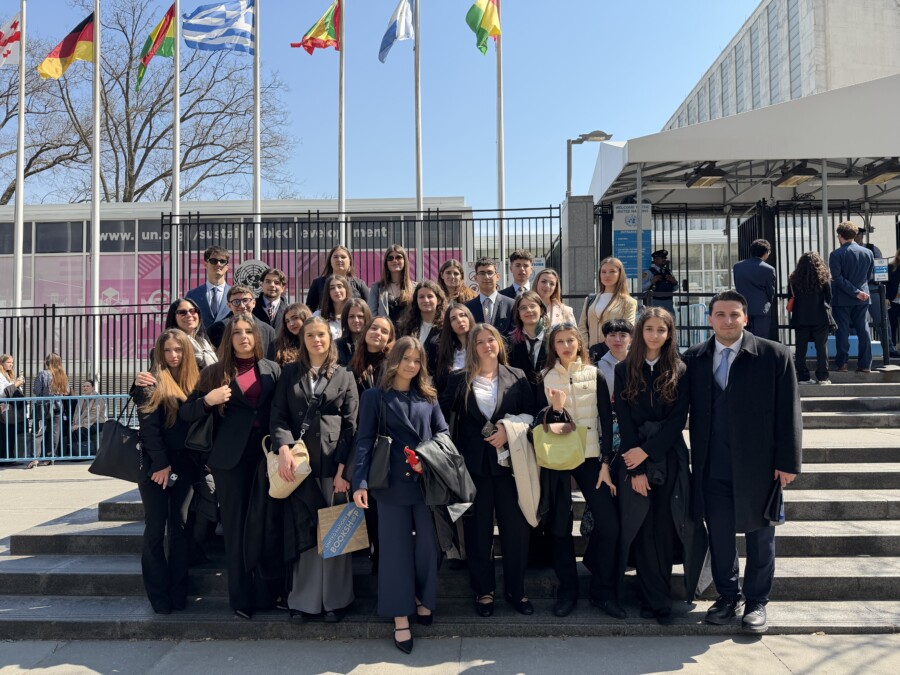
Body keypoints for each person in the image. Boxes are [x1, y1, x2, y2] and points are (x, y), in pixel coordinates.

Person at [683, 290, 801, 634]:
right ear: (710, 319)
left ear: (746, 318)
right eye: (720, 314)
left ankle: (756, 601)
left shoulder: (773, 355)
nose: (727, 321)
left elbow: (789, 411)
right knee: (720, 536)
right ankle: (727, 596)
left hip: (760, 466)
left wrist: (788, 461)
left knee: (760, 537)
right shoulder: (694, 358)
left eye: (734, 314)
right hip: (712, 465)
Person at [179, 316, 281, 619]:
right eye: (237, 332)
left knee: (266, 525)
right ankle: (241, 598)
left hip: (265, 457)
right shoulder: (214, 372)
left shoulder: (272, 369)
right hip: (229, 461)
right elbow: (186, 413)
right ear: (229, 339)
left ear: (257, 337)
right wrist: (208, 401)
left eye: (249, 331)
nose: (243, 336)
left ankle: (268, 594)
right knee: (236, 528)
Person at [353, 337, 448, 654]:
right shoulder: (374, 396)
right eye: (406, 358)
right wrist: (360, 482)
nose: (411, 365)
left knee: (429, 546)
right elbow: (364, 440)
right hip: (389, 483)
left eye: (417, 360)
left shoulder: (428, 396)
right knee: (394, 552)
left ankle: (423, 597)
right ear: (394, 360)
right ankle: (400, 617)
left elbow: (443, 433)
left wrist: (427, 456)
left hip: (425, 482)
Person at [613, 308, 705, 625]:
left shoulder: (680, 369)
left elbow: (678, 420)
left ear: (669, 334)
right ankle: (650, 596)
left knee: (665, 526)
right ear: (640, 332)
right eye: (649, 329)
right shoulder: (624, 369)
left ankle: (660, 599)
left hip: (669, 455)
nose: (654, 335)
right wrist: (636, 468)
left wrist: (648, 452)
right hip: (632, 456)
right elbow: (624, 420)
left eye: (661, 330)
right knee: (642, 526)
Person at [439, 324, 535, 619]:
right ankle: (484, 591)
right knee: (478, 532)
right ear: (472, 348)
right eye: (479, 342)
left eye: (490, 340)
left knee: (515, 530)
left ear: (499, 344)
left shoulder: (517, 375)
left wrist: (508, 428)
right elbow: (440, 416)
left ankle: (516, 590)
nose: (486, 345)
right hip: (472, 467)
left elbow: (531, 413)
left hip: (510, 466)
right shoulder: (459, 379)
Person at [270, 315, 359, 624]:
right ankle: (303, 600)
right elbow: (278, 415)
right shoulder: (289, 373)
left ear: (329, 338)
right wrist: (283, 449)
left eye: (321, 334)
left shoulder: (345, 374)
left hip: (334, 465)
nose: (316, 340)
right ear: (303, 340)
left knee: (336, 532)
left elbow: (352, 425)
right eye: (310, 335)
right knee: (304, 531)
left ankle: (336, 600)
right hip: (299, 466)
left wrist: (344, 470)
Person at [537, 323, 622, 619]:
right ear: (553, 346)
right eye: (559, 341)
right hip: (558, 459)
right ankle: (568, 591)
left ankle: (603, 591)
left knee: (609, 526)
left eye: (570, 340)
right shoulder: (545, 377)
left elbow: (606, 420)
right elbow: (538, 422)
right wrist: (556, 410)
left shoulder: (595, 374)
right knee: (560, 529)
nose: (565, 346)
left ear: (579, 343)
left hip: (591, 459)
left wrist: (605, 463)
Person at [135, 329, 200, 614]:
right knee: (155, 528)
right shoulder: (150, 381)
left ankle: (178, 592)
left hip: (185, 465)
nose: (173, 355)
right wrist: (160, 465)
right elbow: (149, 429)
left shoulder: (194, 382)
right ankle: (158, 595)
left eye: (178, 350)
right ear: (159, 354)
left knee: (180, 528)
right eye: (168, 350)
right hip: (155, 467)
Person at [346, 314, 396, 575]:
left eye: (384, 331)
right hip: (360, 443)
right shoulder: (350, 366)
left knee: (382, 508)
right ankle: (373, 554)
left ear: (390, 338)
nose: (378, 333)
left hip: (387, 446)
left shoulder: (394, 365)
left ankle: (383, 560)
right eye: (374, 328)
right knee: (366, 506)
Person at [829, 221, 874, 372]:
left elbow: (837, 278)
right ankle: (865, 365)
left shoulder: (836, 254)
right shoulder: (868, 253)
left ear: (840, 236)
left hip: (842, 298)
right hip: (863, 296)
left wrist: (855, 292)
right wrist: (859, 291)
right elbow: (868, 276)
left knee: (842, 330)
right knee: (863, 329)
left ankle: (842, 364)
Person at [578, 257, 637, 360]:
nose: (607, 275)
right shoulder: (590, 299)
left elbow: (627, 329)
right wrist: (586, 348)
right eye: (603, 272)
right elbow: (582, 326)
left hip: (614, 353)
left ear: (620, 274)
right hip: (590, 353)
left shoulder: (629, 302)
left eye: (612, 271)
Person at [788, 253, 833, 385]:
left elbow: (790, 295)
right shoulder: (823, 277)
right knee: (821, 348)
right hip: (820, 316)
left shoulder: (794, 278)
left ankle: (803, 377)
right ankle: (823, 377)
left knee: (801, 348)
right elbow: (829, 297)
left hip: (800, 317)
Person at [855, 227, 897, 355]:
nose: (856, 237)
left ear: (862, 235)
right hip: (856, 290)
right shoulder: (847, 251)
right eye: (854, 234)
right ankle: (856, 350)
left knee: (882, 321)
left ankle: (889, 349)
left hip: (873, 289)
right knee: (855, 322)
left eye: (858, 234)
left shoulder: (873, 249)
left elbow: (881, 270)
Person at [208, 285, 277, 360]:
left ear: (254, 303)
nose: (242, 306)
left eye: (245, 300)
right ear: (229, 306)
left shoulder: (269, 331)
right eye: (236, 302)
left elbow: (271, 360)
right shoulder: (215, 330)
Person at [29, 353, 69, 469]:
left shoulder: (43, 373)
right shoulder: (62, 375)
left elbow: (37, 390)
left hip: (43, 406)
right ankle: (50, 457)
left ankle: (35, 458)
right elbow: (66, 391)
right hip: (58, 406)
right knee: (55, 432)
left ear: (47, 362)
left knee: (38, 432)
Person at [732, 239, 777, 340]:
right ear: (766, 252)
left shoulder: (737, 267)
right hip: (761, 308)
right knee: (761, 339)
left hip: (742, 307)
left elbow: (737, 285)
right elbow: (770, 292)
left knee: (743, 338)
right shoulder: (769, 269)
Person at [508, 290, 548, 400]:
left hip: (549, 400)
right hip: (521, 401)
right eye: (523, 308)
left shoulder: (554, 339)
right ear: (518, 314)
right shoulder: (510, 343)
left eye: (532, 306)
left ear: (541, 310)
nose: (528, 310)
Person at [306, 245, 370, 311]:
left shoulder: (359, 284)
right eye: (336, 257)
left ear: (350, 261)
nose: (339, 260)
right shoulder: (318, 283)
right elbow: (309, 310)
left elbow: (369, 309)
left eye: (343, 257)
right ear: (330, 261)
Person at [465, 257, 515, 336]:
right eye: (482, 273)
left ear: (497, 276)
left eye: (490, 272)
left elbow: (514, 335)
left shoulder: (511, 304)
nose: (486, 277)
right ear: (475, 278)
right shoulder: (468, 307)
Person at [399, 280, 446, 364]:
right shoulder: (406, 326)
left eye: (430, 296)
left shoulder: (446, 327)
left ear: (438, 300)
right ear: (416, 301)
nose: (426, 300)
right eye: (421, 297)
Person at [186, 245, 232, 329]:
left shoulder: (234, 294)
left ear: (227, 267)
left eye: (222, 261)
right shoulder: (192, 295)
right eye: (213, 261)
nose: (218, 264)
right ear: (205, 264)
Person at [431, 303, 475, 391]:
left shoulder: (480, 345)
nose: (459, 320)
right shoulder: (444, 351)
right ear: (450, 326)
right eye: (453, 319)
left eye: (462, 315)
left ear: (469, 317)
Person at [369, 245, 414, 324]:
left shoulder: (414, 288)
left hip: (408, 330)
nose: (394, 260)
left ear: (405, 260)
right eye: (390, 258)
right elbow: (372, 316)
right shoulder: (376, 288)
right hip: (385, 330)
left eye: (398, 257)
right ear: (386, 263)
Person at [68, 379, 107, 457]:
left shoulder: (98, 398)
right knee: (73, 430)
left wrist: (81, 425)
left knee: (80, 431)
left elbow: (94, 415)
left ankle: (86, 452)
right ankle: (77, 452)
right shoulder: (82, 397)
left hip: (97, 423)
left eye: (87, 386)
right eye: (84, 386)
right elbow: (76, 413)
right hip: (84, 422)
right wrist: (75, 423)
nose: (85, 388)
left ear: (92, 387)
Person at [597, 319, 633, 398]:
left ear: (631, 340)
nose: (617, 339)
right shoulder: (597, 367)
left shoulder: (640, 363)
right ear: (605, 340)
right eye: (612, 335)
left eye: (623, 335)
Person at [0, 354, 26, 461]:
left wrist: (17, 384)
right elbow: (2, 392)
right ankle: (4, 459)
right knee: (4, 434)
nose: (11, 365)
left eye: (12, 362)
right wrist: (16, 384)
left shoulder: (8, 375)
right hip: (3, 408)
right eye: (8, 362)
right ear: (2, 363)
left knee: (11, 433)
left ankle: (9, 458)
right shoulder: (0, 375)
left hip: (10, 409)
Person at [314, 274, 352, 340]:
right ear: (328, 292)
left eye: (340, 286)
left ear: (346, 289)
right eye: (332, 288)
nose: (336, 290)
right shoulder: (318, 315)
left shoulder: (354, 314)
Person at [335, 298, 371, 367]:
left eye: (360, 316)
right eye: (351, 316)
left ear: (366, 318)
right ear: (346, 319)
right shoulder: (336, 346)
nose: (356, 320)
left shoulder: (372, 345)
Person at [641, 249, 678, 316]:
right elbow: (641, 288)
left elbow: (675, 288)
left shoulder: (669, 272)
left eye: (665, 258)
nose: (664, 259)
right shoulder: (649, 272)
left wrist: (674, 282)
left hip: (668, 302)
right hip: (655, 302)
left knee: (670, 320)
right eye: (662, 258)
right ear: (655, 259)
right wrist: (651, 282)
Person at [252, 268, 288, 333]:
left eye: (277, 283)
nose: (272, 285)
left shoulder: (289, 310)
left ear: (282, 288)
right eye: (268, 282)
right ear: (262, 285)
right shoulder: (250, 307)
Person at [888, 248, 900, 350]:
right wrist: (886, 297)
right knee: (892, 324)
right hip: (893, 301)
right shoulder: (891, 267)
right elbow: (885, 283)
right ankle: (893, 347)